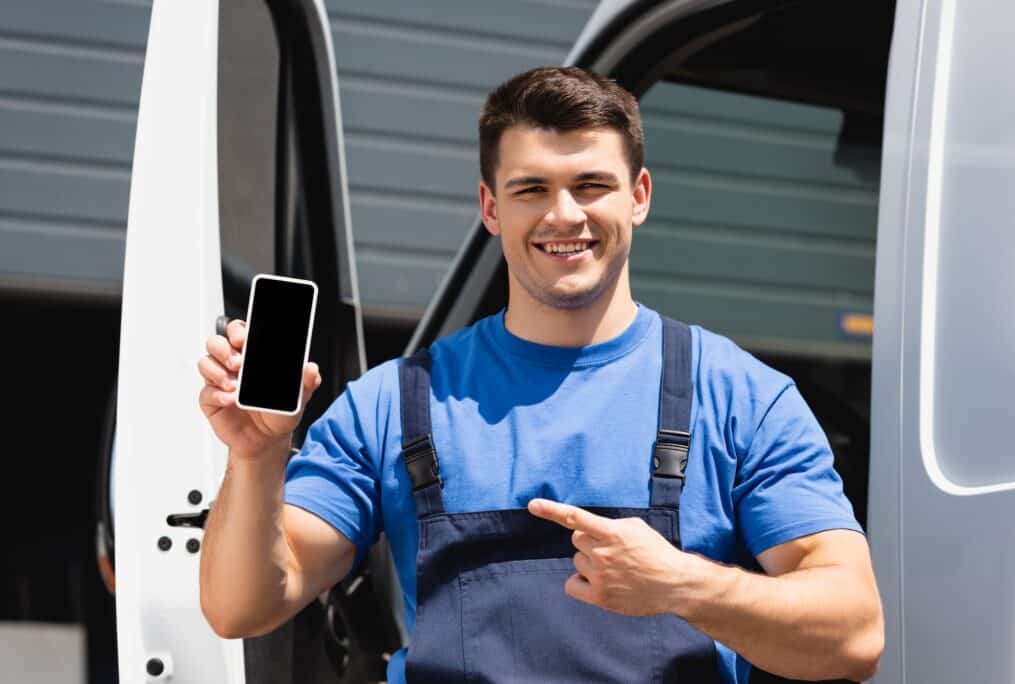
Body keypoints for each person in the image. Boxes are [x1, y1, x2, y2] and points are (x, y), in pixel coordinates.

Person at [197, 66, 884, 683]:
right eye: (531, 189)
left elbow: (854, 633)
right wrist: (255, 458)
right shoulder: (392, 404)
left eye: (592, 185)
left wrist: (680, 586)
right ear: (491, 208)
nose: (564, 215)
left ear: (638, 196)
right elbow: (242, 605)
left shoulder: (741, 399)